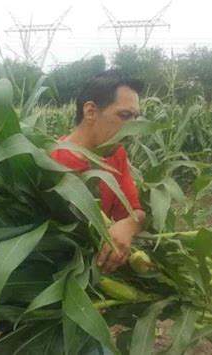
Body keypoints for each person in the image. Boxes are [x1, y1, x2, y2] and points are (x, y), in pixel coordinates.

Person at [51, 70, 146, 273]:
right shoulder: (50, 161)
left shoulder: (116, 154)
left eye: (136, 117)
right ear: (91, 111)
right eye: (125, 116)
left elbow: (135, 212)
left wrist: (127, 226)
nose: (133, 128)